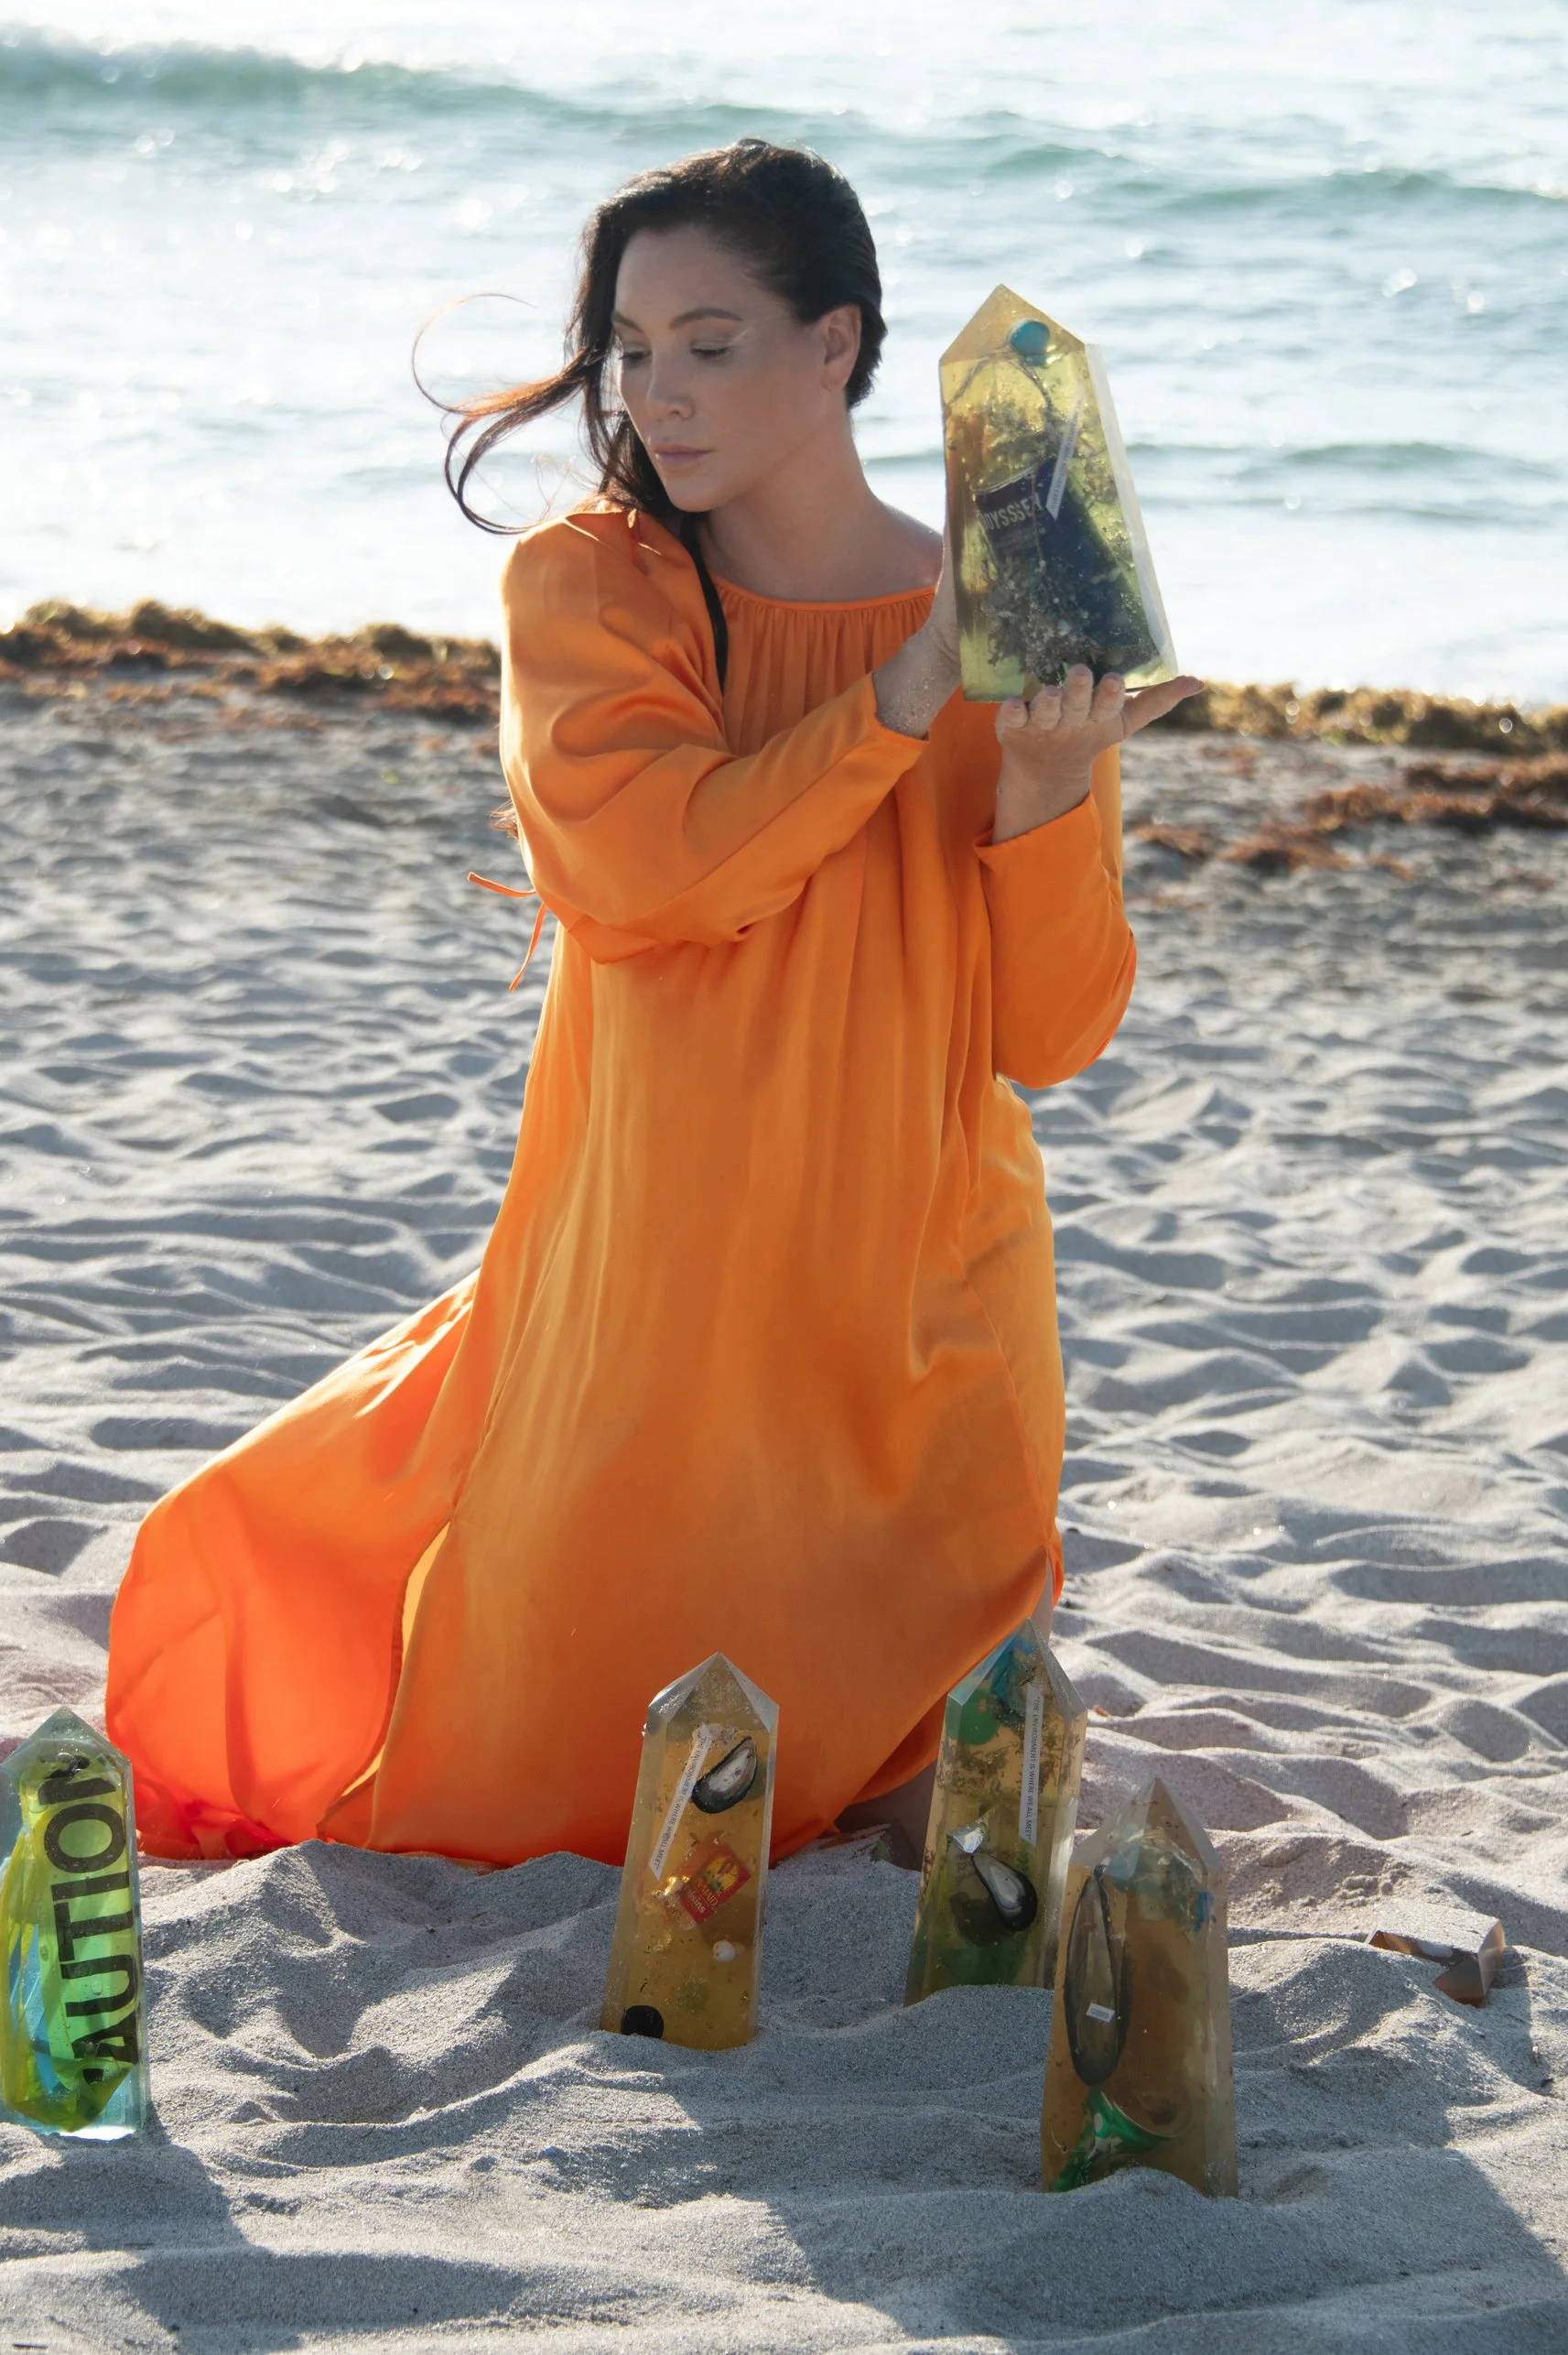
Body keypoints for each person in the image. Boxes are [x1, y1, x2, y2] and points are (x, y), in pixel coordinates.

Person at [104, 138, 1200, 1867]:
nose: (654, 393)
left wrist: (1050, 788)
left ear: (837, 346)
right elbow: (649, 876)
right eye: (630, 347)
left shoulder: (1010, 603)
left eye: (711, 342)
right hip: (663, 1272)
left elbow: (1049, 1037)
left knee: (942, 1813)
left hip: (922, 1277)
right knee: (561, 1781)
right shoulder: (592, 586)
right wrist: (907, 689)